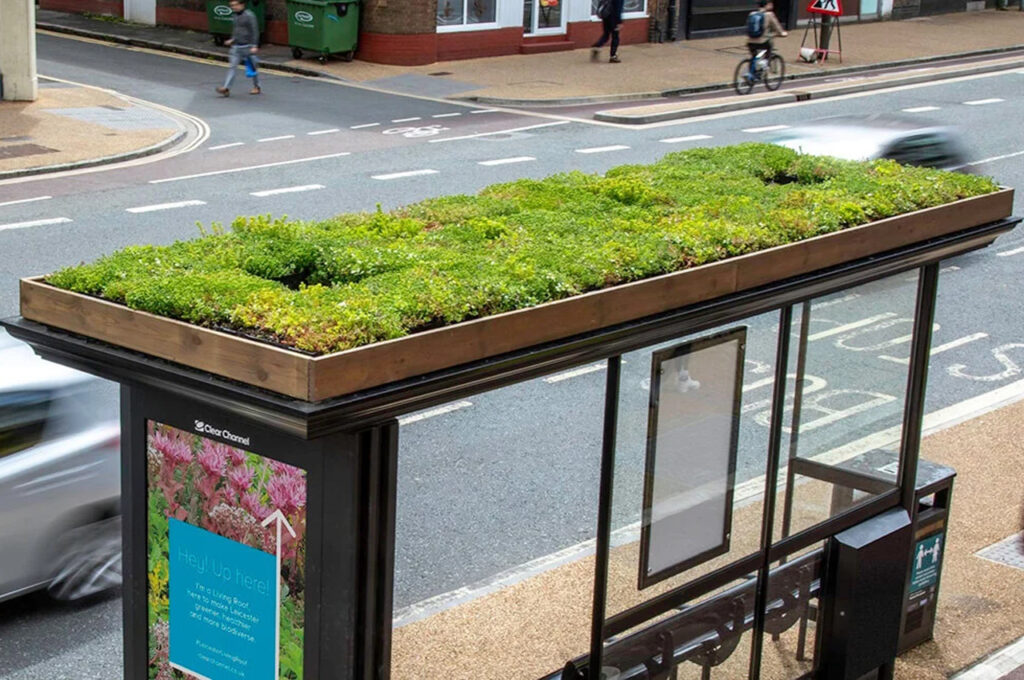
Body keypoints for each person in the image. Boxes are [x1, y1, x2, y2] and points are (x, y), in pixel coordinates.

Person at [216, 0, 261, 97]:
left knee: (253, 68)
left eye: (236, 5)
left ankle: (257, 86)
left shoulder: (250, 16)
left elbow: (255, 31)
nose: (234, 7)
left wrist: (254, 45)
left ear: (242, 5)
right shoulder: (235, 16)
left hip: (248, 46)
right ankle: (226, 88)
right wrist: (232, 39)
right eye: (232, 5)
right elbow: (236, 30)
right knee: (232, 67)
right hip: (236, 47)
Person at [745, 0, 786, 81]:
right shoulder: (769, 15)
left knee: (754, 57)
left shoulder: (752, 14)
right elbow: (777, 27)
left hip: (750, 41)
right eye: (770, 4)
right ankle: (764, 64)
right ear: (767, 5)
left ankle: (750, 73)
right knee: (769, 48)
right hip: (762, 42)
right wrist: (783, 33)